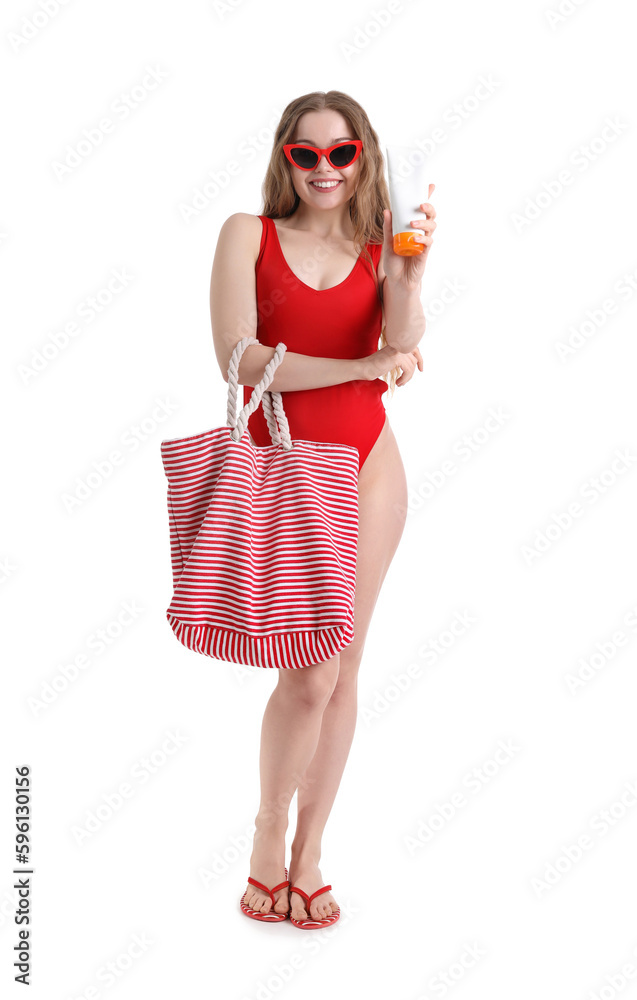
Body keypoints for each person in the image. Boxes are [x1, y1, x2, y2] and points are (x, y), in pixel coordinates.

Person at [209, 90, 436, 928]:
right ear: (285, 158)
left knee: (340, 669)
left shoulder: (381, 248)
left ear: (362, 156)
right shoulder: (248, 235)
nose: (325, 170)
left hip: (370, 471)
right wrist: (362, 364)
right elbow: (238, 357)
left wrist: (407, 281)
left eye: (341, 153)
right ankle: (268, 835)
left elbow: (403, 338)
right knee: (307, 673)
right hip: (286, 475)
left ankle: (308, 855)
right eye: (307, 154)